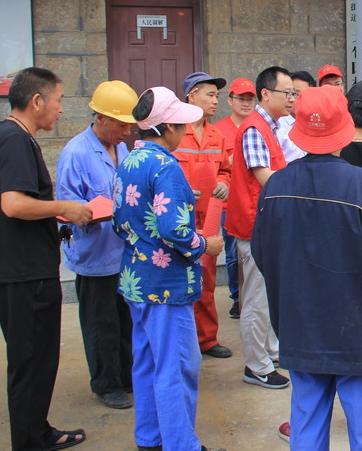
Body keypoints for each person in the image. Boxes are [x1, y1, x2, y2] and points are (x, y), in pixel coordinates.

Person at [252, 85, 362, 450]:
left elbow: (263, 255)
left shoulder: (276, 185)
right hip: (359, 330)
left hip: (300, 325)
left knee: (307, 423)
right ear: (344, 127)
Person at [0, 67, 92, 450]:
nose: (61, 109)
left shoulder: (10, 136)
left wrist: (54, 214)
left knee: (34, 361)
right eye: (58, 100)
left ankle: (36, 431)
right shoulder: (14, 139)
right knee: (31, 362)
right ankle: (30, 441)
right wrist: (64, 207)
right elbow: (13, 204)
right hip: (24, 273)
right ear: (37, 100)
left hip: (19, 269)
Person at [112, 86, 225, 451]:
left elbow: (120, 220)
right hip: (166, 284)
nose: (183, 130)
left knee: (147, 361)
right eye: (179, 124)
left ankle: (150, 437)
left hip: (136, 279)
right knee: (177, 366)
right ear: (167, 128)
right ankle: (180, 444)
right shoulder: (166, 166)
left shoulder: (129, 160)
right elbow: (174, 229)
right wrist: (205, 245)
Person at [56, 80, 138, 409]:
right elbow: (65, 209)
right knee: (100, 323)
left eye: (129, 126)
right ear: (101, 118)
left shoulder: (123, 150)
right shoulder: (75, 153)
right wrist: (88, 213)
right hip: (94, 254)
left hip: (123, 253)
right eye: (120, 125)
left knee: (125, 321)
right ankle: (106, 383)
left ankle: (127, 375)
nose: (126, 132)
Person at [225, 66, 293, 389]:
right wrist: (298, 185)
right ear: (266, 94)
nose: (291, 98)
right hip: (254, 225)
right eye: (286, 92)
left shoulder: (268, 126)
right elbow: (263, 176)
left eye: (293, 93)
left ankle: (270, 352)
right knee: (255, 297)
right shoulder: (254, 128)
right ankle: (256, 365)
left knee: (266, 294)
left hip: (265, 224)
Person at [174, 72, 233, 359]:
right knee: (179, 278)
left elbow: (226, 170)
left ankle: (207, 339)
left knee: (206, 279)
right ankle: (182, 341)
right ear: (191, 96)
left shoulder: (217, 136)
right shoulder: (174, 132)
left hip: (208, 219)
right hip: (178, 219)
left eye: (217, 95)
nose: (215, 100)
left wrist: (223, 184)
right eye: (210, 94)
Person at [214, 77, 257, 319]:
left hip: (254, 200)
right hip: (229, 202)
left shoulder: (259, 126)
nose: (246, 103)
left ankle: (252, 296)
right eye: (241, 98)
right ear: (230, 100)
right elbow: (219, 167)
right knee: (232, 254)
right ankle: (237, 297)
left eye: (250, 98)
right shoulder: (219, 130)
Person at [276, 71, 314, 163]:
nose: (299, 99)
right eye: (294, 94)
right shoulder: (278, 127)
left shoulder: (318, 123)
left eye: (306, 95)